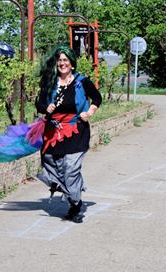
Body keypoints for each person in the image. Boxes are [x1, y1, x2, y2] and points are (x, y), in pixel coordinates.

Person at [35, 46, 102, 223]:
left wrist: (90, 112)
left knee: (70, 169)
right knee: (52, 167)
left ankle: (76, 203)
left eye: (66, 60)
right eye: (60, 60)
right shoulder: (50, 82)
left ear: (72, 63)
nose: (62, 63)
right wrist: (45, 107)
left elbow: (97, 98)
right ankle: (74, 194)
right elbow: (39, 103)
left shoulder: (82, 81)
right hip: (53, 132)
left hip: (76, 131)